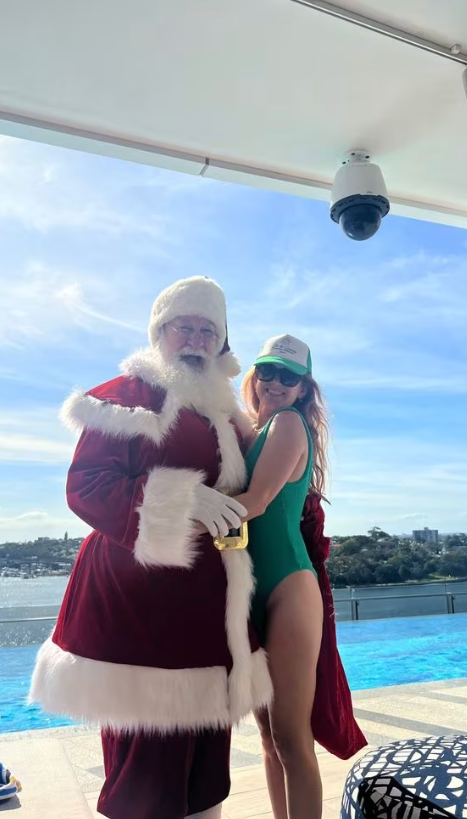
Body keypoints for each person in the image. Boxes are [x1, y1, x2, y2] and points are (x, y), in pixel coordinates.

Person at [29, 276, 273, 819]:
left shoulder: (227, 414)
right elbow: (87, 487)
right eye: (182, 326)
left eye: (208, 330)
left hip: (210, 607)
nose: (195, 339)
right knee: (146, 776)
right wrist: (184, 498)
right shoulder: (127, 398)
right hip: (139, 608)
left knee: (204, 772)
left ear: (222, 343)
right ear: (159, 333)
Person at [235, 334, 336, 819]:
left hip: (287, 589)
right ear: (254, 376)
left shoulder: (289, 423)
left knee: (292, 737)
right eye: (268, 372)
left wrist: (165, 513)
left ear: (302, 389)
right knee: (268, 737)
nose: (276, 383)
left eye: (289, 376)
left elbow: (253, 505)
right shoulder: (251, 432)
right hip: (249, 591)